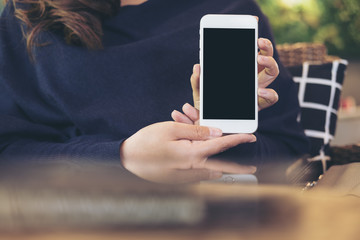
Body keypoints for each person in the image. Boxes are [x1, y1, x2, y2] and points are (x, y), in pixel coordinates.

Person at [0, 0, 309, 184]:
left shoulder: (231, 10)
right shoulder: (27, 16)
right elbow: (8, 152)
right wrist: (121, 158)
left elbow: (290, 150)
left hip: (218, 222)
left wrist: (217, 140)